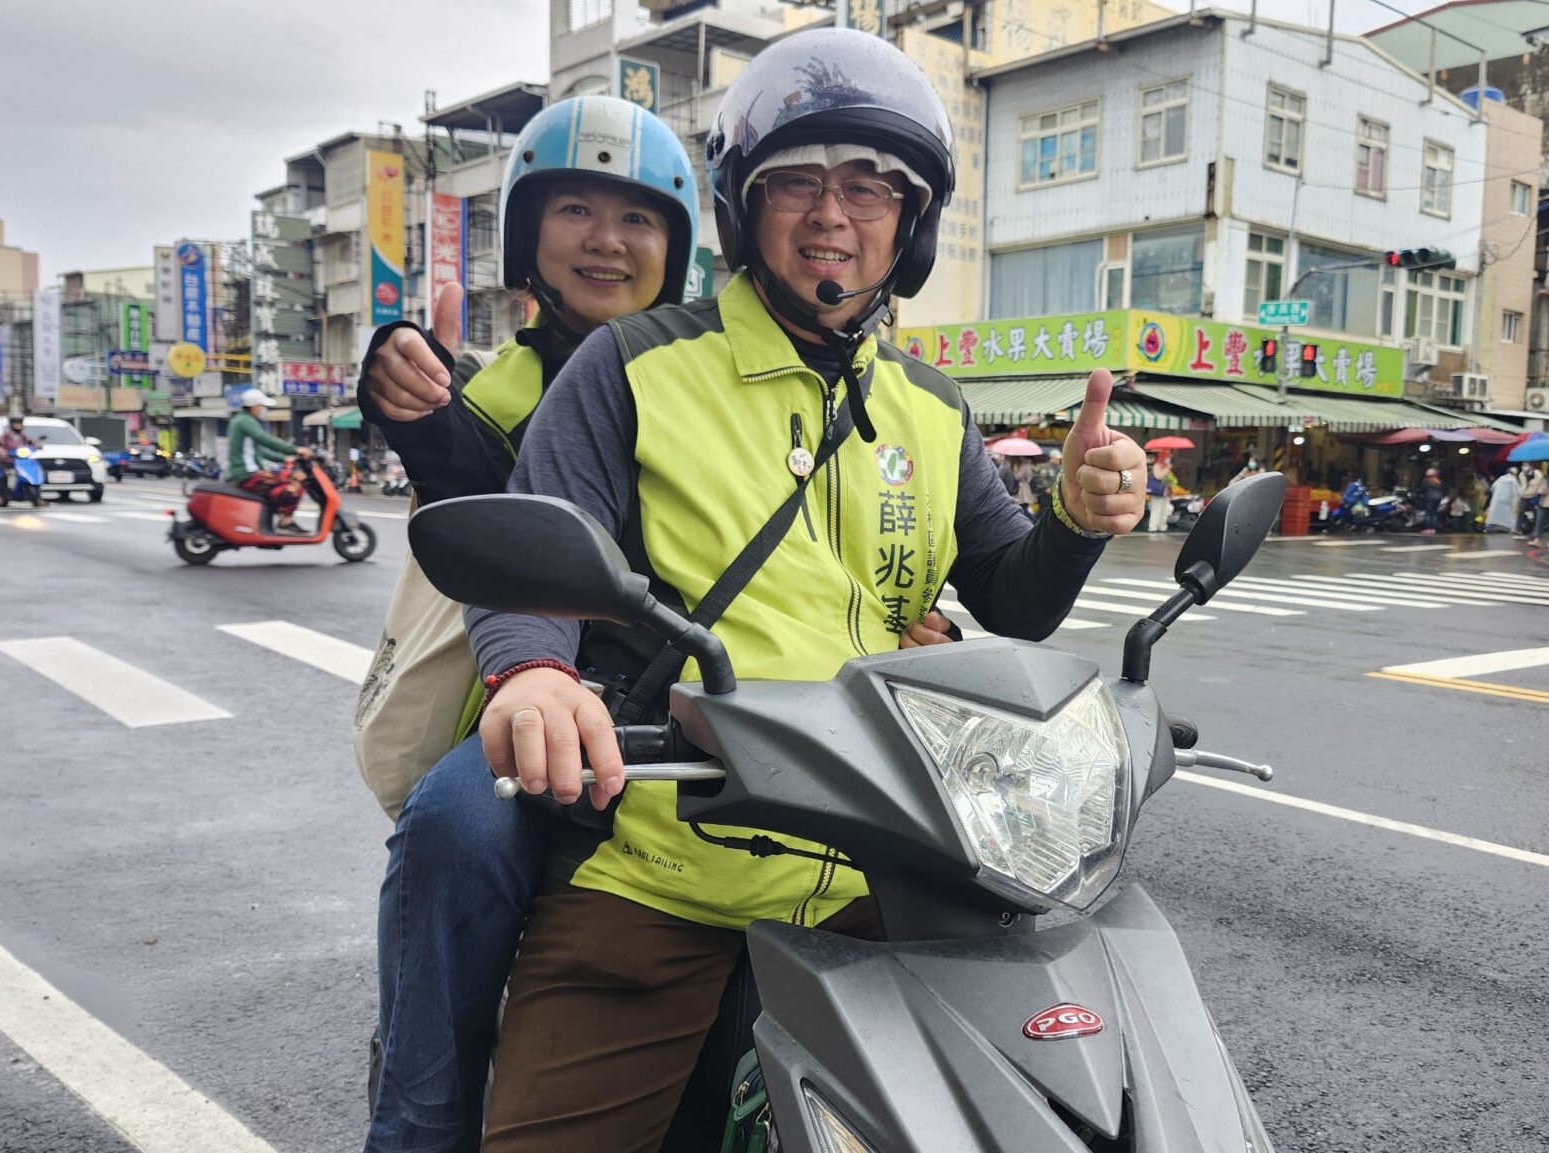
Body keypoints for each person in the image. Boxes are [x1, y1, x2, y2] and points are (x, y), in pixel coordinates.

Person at [466, 29, 1145, 1152]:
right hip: (664, 871)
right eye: (796, 182)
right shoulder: (634, 366)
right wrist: (533, 674)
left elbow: (1013, 603)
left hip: (890, 873)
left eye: (870, 185)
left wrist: (1072, 516)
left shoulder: (931, 408)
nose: (833, 213)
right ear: (746, 208)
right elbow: (535, 551)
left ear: (911, 221)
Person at [356, 96, 711, 1153]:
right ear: (526, 235)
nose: (605, 240)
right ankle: (418, 1121)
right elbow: (467, 483)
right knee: (456, 824)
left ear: (676, 246)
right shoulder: (491, 393)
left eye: (637, 218)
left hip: (721, 695)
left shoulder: (714, 376)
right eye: (574, 209)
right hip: (541, 703)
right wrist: (406, 395)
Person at [226, 389, 310, 531]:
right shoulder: (246, 421)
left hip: (246, 473)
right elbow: (265, 439)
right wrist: (295, 449)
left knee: (283, 481)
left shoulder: (240, 420)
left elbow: (260, 450)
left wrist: (285, 458)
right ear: (254, 406)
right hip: (247, 474)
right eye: (262, 406)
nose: (264, 410)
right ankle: (286, 522)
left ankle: (272, 518)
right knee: (297, 480)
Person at [0, 415, 44, 508]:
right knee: (2, 475)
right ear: (11, 424)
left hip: (21, 461)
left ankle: (38, 498)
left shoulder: (23, 437)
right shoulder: (5, 436)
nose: (18, 425)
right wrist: (3, 452)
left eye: (19, 423)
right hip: (7, 461)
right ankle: (0, 497)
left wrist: (37, 445)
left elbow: (32, 442)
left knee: (35, 471)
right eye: (16, 423)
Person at [1483, 466, 1519, 534]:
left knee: (1494, 514)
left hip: (1497, 500)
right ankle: (1508, 527)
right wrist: (1515, 503)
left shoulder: (1501, 478)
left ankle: (1490, 526)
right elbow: (1516, 493)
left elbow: (1493, 487)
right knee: (1508, 515)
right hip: (1508, 501)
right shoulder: (1514, 480)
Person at [1148, 452, 1172, 532]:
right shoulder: (1157, 465)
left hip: (1165, 491)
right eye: (1167, 457)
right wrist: (1167, 469)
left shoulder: (1165, 466)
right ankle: (1153, 526)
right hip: (1158, 491)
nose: (1168, 459)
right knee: (1156, 509)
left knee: (1165, 510)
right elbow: (1158, 476)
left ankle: (1162, 526)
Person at [1417, 466, 1445, 535]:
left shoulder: (1426, 480)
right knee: (1433, 514)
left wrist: (1417, 492)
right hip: (1438, 498)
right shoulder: (1437, 480)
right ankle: (1432, 529)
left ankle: (1428, 529)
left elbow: (1421, 489)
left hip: (1430, 499)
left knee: (1429, 514)